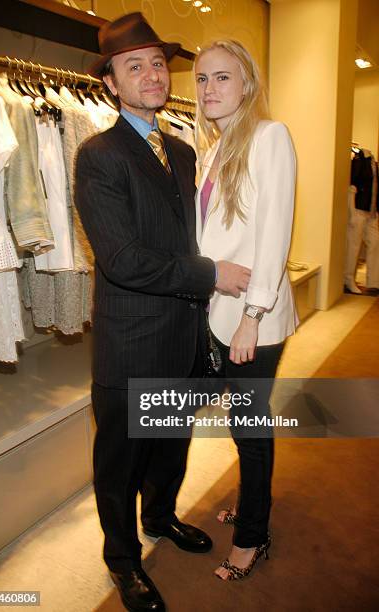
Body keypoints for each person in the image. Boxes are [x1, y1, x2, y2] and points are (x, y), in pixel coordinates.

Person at [75, 14, 251, 612]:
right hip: (131, 345)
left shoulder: (180, 148)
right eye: (134, 66)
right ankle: (122, 560)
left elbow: (194, 232)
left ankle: (162, 518)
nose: (151, 74)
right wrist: (213, 275)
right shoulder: (98, 155)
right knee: (120, 466)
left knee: (172, 447)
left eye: (156, 62)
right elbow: (123, 259)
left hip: (182, 338)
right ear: (111, 82)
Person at [194, 40, 298, 581]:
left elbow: (275, 232)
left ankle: (253, 536)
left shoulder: (268, 137)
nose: (210, 89)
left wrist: (253, 315)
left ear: (247, 84)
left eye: (223, 78)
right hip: (222, 311)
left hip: (254, 317)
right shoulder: (214, 147)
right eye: (203, 79)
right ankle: (252, 501)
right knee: (241, 425)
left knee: (251, 427)